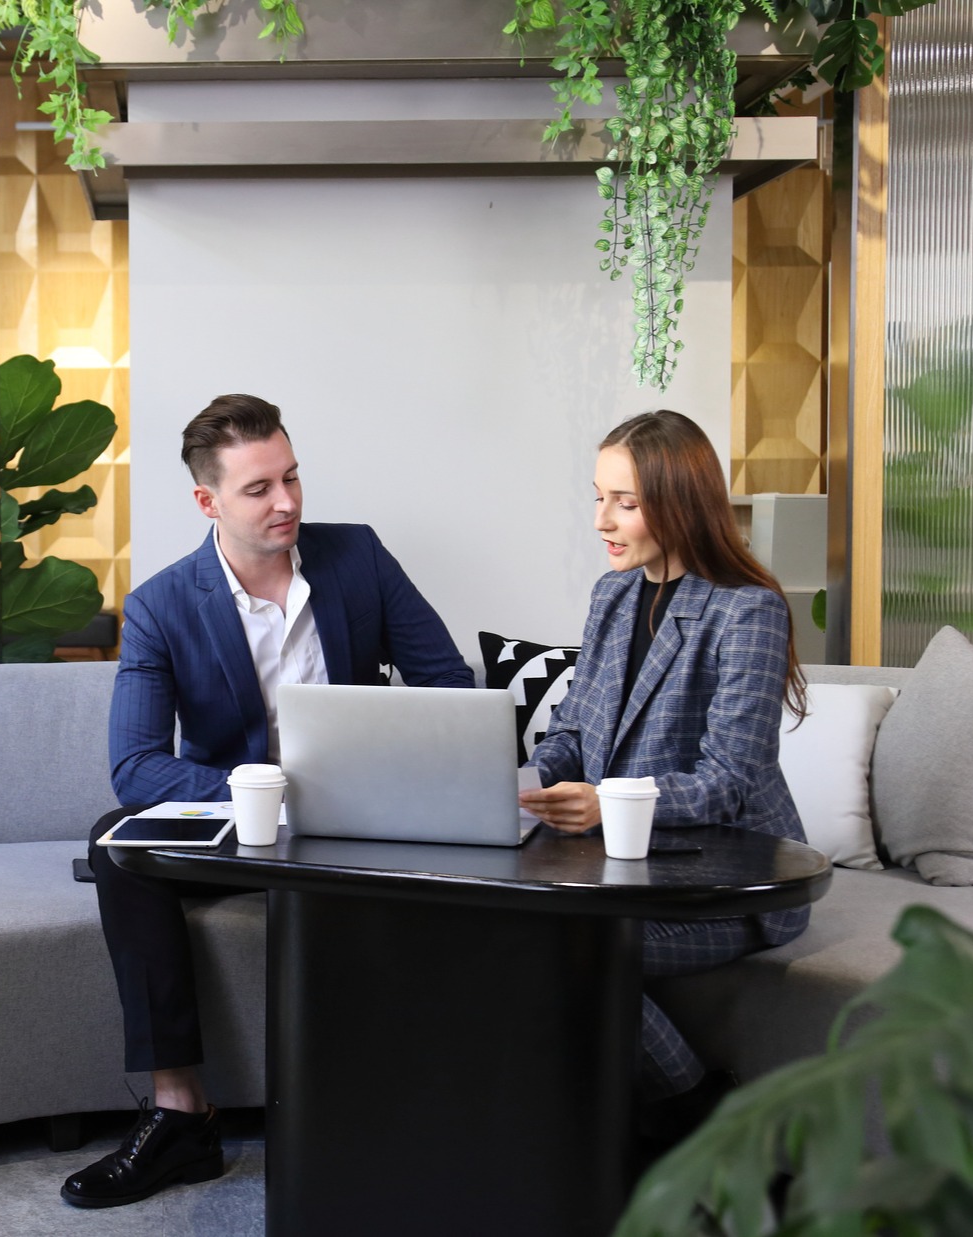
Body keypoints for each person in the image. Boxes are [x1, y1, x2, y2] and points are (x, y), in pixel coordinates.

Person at [63, 394, 474, 1209]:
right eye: (258, 488)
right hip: (246, 827)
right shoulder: (162, 604)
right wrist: (263, 793)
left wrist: (381, 773)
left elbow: (452, 689)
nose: (285, 501)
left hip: (363, 822)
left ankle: (415, 1108)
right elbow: (137, 766)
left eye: (290, 478)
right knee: (117, 842)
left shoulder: (356, 559)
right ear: (206, 501)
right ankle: (180, 1116)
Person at [517, 408, 810, 1145]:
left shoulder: (748, 610)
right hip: (622, 870)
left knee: (567, 948)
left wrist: (603, 800)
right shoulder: (610, 595)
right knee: (498, 928)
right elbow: (575, 731)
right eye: (597, 496)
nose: (600, 520)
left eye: (624, 501)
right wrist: (524, 781)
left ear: (678, 502)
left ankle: (702, 1123)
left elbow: (728, 780)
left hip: (722, 879)